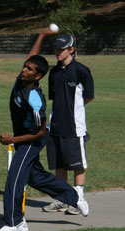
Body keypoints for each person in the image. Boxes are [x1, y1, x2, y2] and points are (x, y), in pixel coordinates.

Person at [0, 27, 89, 231]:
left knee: (14, 178)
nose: (24, 70)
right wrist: (41, 35)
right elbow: (31, 56)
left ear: (37, 76)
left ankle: (15, 223)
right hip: (23, 137)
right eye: (24, 67)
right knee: (35, 177)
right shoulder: (20, 81)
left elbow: (39, 134)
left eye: (29, 69)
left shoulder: (36, 100)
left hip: (33, 139)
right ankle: (74, 197)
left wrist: (13, 139)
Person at [42, 34, 94, 215]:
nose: (57, 52)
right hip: (55, 125)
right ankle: (62, 199)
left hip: (74, 126)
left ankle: (78, 199)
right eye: (55, 48)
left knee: (77, 163)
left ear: (71, 49)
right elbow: (54, 98)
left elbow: (88, 96)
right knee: (60, 164)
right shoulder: (54, 72)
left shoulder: (81, 70)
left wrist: (74, 110)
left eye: (61, 49)